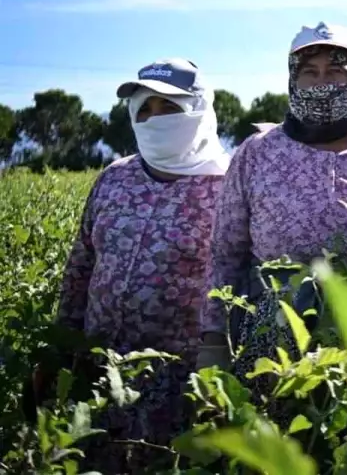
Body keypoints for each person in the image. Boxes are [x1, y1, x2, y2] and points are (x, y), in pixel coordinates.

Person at [198, 22, 347, 373]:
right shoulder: (257, 154)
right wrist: (215, 341)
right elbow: (226, 256)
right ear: (293, 79)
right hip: (269, 348)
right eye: (310, 72)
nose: (322, 83)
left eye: (337, 71)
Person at [53, 59, 230, 470]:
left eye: (169, 108)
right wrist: (60, 350)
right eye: (144, 110)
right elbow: (81, 268)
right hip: (96, 378)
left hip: (180, 391)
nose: (154, 120)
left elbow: (242, 290)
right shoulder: (115, 178)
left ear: (200, 110)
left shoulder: (229, 186)